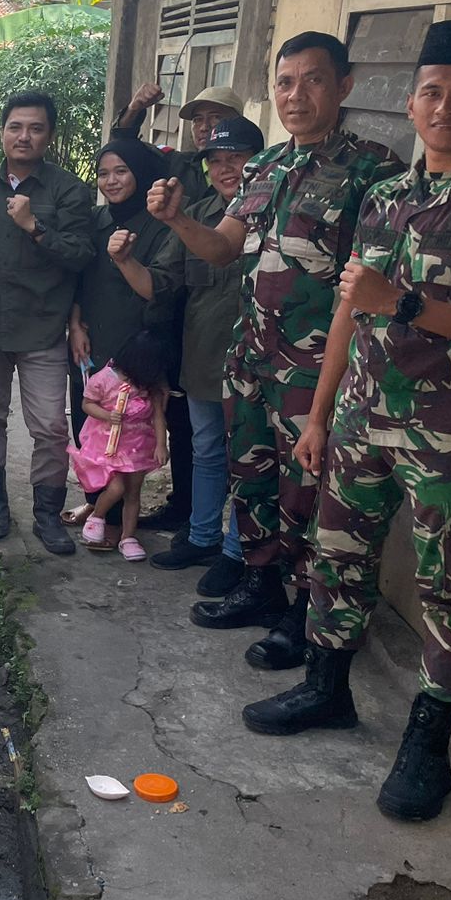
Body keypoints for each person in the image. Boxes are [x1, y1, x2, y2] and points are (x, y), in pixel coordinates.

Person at [243, 20, 451, 822]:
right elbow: (350, 311)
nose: (445, 108)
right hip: (357, 422)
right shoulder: (386, 197)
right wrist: (318, 415)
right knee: (336, 559)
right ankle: (326, 689)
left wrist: (409, 305)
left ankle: (428, 743)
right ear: (411, 103)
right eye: (431, 93)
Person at [148, 31, 405, 672]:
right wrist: (178, 219)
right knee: (253, 481)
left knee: (311, 496)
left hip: (315, 371)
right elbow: (223, 247)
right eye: (285, 83)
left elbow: (363, 289)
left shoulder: (374, 170)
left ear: (343, 87)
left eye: (312, 80)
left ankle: (304, 611)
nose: (296, 95)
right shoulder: (265, 166)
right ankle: (261, 584)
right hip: (253, 361)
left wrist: (325, 400)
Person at [0, 92, 95, 550]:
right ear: (2, 132)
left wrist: (35, 227)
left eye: (35, 128)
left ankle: (47, 515)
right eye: (15, 127)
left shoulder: (68, 191)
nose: (24, 136)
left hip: (43, 328)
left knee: (51, 428)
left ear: (49, 136)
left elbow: (82, 255)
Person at [149, 117, 263, 596]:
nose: (225, 169)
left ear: (260, 161)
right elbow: (162, 280)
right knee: (207, 449)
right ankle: (202, 537)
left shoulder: (274, 212)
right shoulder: (195, 213)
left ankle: (238, 552)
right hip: (203, 355)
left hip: (258, 361)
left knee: (250, 459)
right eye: (216, 161)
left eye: (236, 158)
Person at [68, 139, 177, 462]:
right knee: (88, 431)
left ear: (140, 173)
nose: (111, 181)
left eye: (121, 171)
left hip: (138, 348)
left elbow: (161, 291)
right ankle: (95, 492)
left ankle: (120, 498)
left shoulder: (160, 225)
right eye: (103, 174)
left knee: (130, 442)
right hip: (90, 344)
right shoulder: (93, 220)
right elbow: (77, 278)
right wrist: (75, 325)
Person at [67, 329, 170, 561]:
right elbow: (86, 404)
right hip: (109, 444)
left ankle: (128, 537)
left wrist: (161, 445)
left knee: (133, 493)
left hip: (137, 446)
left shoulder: (149, 386)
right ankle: (97, 516)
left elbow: (157, 417)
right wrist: (106, 415)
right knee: (116, 488)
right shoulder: (104, 379)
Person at [113, 82, 245, 202]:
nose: (204, 127)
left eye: (216, 118)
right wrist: (134, 109)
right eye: (197, 119)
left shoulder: (251, 169)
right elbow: (124, 147)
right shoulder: (175, 165)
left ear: (239, 123)